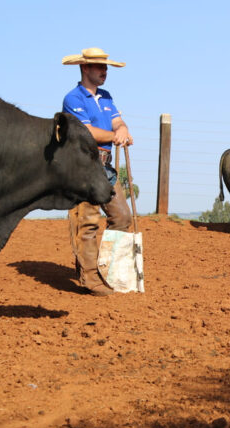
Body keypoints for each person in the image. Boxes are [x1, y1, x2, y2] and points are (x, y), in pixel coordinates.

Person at [61, 47, 133, 296]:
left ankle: (106, 270)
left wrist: (122, 128)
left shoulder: (106, 96)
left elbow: (117, 120)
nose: (105, 71)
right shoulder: (73, 99)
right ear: (85, 68)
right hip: (83, 165)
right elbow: (87, 132)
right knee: (87, 221)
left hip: (104, 165)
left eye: (106, 67)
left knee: (122, 216)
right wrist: (116, 135)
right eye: (100, 67)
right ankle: (90, 278)